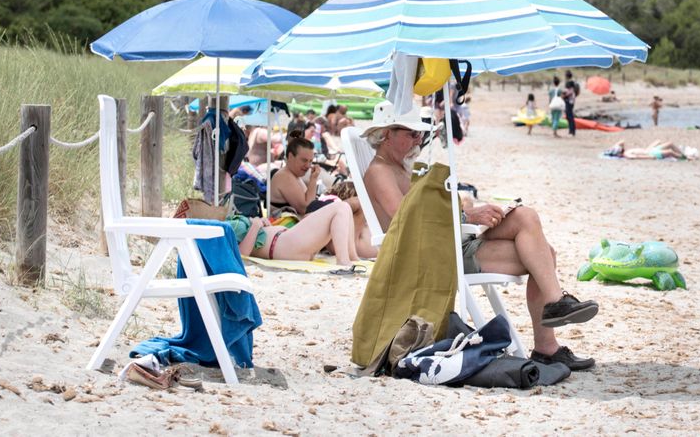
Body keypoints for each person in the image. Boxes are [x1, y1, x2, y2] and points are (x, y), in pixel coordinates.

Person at [362, 101, 598, 371]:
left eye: (420, 134)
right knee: (546, 256)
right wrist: (467, 218)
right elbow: (406, 224)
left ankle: (557, 305)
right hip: (434, 256)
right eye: (411, 134)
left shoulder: (402, 168)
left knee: (524, 216)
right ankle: (547, 345)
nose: (418, 140)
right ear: (386, 134)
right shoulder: (379, 172)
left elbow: (427, 212)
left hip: (449, 239)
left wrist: (468, 211)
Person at [226, 202, 363, 265]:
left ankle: (352, 257)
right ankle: (345, 259)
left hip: (286, 244)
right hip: (283, 244)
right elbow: (242, 254)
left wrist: (259, 223)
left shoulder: (228, 226)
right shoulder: (228, 227)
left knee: (344, 208)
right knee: (341, 207)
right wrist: (255, 225)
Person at [604, 140, 697, 160]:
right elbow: (635, 157)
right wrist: (649, 157)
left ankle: (683, 154)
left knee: (670, 143)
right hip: (651, 153)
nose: (621, 147)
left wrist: (611, 148)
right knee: (670, 152)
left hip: (649, 150)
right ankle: (685, 158)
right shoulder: (626, 154)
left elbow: (622, 142)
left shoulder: (624, 151)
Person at [562, 72, 579, 137]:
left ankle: (572, 131)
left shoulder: (569, 83)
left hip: (569, 101)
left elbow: (570, 91)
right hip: (571, 101)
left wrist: (564, 95)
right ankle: (571, 130)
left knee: (570, 116)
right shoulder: (573, 82)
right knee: (569, 116)